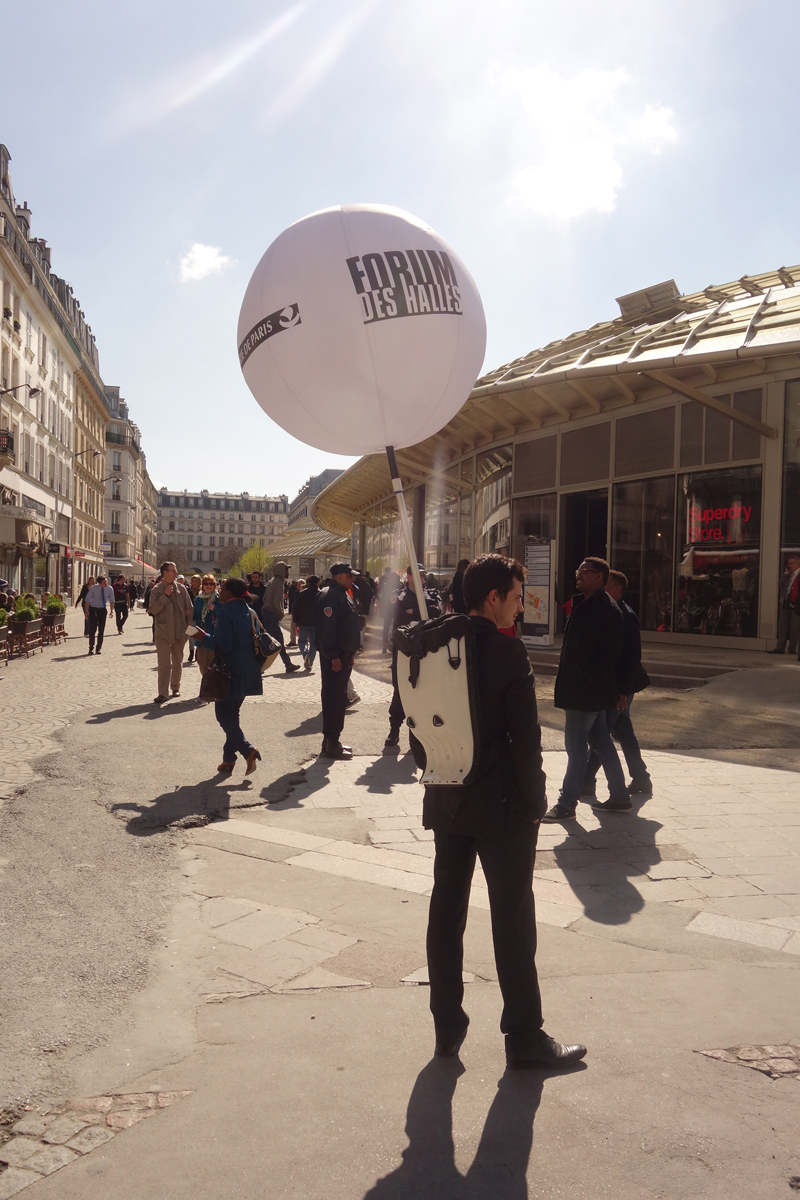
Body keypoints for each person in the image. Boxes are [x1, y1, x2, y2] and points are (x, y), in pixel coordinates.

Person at [422, 553, 586, 1068]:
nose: (519, 606)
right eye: (516, 597)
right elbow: (526, 742)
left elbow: (415, 726)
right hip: (502, 807)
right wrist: (537, 803)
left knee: (446, 912)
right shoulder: (506, 653)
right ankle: (523, 1036)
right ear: (492, 597)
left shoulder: (431, 648)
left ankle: (447, 1026)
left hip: (447, 797)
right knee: (512, 917)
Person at [543, 557, 624, 823]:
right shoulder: (585, 604)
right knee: (600, 741)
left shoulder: (605, 609)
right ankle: (620, 796)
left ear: (599, 577)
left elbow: (609, 656)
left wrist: (587, 683)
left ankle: (566, 805)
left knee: (576, 749)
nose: (578, 575)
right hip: (584, 691)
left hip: (584, 694)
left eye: (584, 572)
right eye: (578, 570)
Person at [581, 570, 652, 809]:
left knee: (601, 734)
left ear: (617, 590)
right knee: (622, 731)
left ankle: (587, 781)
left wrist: (622, 691)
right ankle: (641, 778)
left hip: (622, 687)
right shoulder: (611, 611)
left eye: (607, 586)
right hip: (619, 685)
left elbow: (632, 657)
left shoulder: (625, 615)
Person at [194, 576, 262, 775]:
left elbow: (222, 645)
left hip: (230, 671)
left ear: (230, 593)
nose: (219, 592)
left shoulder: (226, 612)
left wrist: (202, 637)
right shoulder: (249, 611)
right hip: (249, 670)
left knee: (223, 715)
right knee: (232, 714)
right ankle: (228, 759)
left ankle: (248, 750)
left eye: (222, 589)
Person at [385, 565, 443, 748]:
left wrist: (413, 611)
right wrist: (420, 610)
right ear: (408, 576)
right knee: (400, 689)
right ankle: (394, 730)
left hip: (425, 648)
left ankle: (418, 734)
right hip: (403, 648)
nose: (422, 578)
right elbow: (396, 614)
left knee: (423, 690)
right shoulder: (398, 594)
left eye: (423, 575)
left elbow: (436, 612)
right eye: (417, 575)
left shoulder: (433, 593)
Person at [314, 562, 361, 759]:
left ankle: (331, 741)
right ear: (339, 576)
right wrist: (333, 655)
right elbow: (327, 629)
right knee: (334, 698)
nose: (353, 579)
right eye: (349, 576)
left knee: (338, 698)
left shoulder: (342, 594)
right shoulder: (330, 595)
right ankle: (332, 743)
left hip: (343, 655)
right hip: (335, 657)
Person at [148, 561, 193, 703]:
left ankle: (175, 687)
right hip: (162, 633)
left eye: (175, 570)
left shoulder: (182, 589)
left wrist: (188, 629)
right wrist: (165, 596)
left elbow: (190, 610)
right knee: (164, 663)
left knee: (177, 661)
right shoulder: (156, 590)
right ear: (165, 573)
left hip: (180, 632)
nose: (175, 573)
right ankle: (163, 693)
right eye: (173, 571)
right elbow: (152, 610)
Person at [260, 562, 300, 673]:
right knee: (267, 642)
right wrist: (280, 613)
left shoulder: (272, 581)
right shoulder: (278, 582)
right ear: (282, 571)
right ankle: (257, 666)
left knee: (279, 642)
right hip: (271, 614)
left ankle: (288, 664)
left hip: (268, 612)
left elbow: (264, 598)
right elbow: (276, 601)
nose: (288, 572)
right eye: (287, 570)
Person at [770, 555, 800, 654]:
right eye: (788, 564)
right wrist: (785, 574)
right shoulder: (789, 575)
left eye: (791, 563)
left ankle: (792, 648)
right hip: (786, 604)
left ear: (797, 563)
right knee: (782, 626)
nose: (789, 565)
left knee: (794, 627)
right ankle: (780, 647)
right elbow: (780, 584)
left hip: (796, 605)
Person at [193, 575, 218, 677]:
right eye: (206, 584)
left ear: (214, 585)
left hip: (214, 635)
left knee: (213, 664)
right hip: (201, 635)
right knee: (202, 663)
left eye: (211, 583)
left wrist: (215, 609)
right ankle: (206, 685)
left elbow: (224, 615)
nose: (209, 586)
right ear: (202, 586)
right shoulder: (198, 599)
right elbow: (194, 616)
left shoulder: (218, 599)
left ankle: (212, 689)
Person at [292, 577, 320, 671]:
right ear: (318, 583)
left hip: (303, 621)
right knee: (313, 643)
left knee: (301, 641)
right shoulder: (320, 594)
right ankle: (310, 662)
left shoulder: (302, 593)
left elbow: (296, 608)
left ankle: (305, 655)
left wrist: (295, 621)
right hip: (316, 623)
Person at [84, 575, 114, 655]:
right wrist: (86, 611)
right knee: (92, 630)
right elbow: (87, 600)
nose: (106, 583)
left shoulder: (109, 589)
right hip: (93, 609)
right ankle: (91, 648)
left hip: (102, 609)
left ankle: (98, 648)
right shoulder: (93, 588)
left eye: (106, 581)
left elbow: (112, 600)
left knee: (101, 630)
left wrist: (111, 611)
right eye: (104, 582)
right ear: (99, 583)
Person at [379, 568, 401, 653]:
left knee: (386, 627)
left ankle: (384, 646)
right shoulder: (400, 585)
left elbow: (380, 596)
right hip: (396, 609)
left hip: (387, 609)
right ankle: (394, 645)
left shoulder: (385, 586)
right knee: (395, 627)